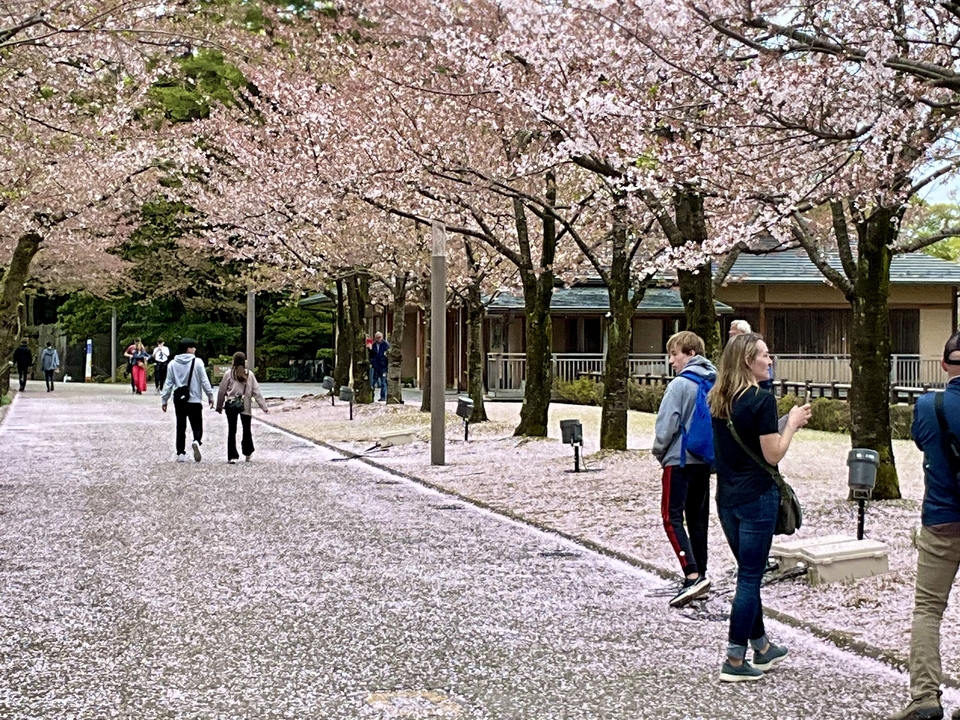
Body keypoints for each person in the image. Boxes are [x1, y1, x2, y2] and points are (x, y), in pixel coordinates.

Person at [709, 332, 811, 682]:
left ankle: (762, 646)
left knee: (746, 572)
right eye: (765, 356)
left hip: (727, 497)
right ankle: (734, 660)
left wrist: (781, 424)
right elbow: (773, 453)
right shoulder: (761, 399)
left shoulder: (719, 398)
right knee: (750, 577)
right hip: (757, 496)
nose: (770, 360)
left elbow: (745, 442)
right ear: (747, 361)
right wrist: (793, 425)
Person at [890, 332, 960, 720]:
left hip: (940, 520)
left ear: (945, 364)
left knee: (928, 610)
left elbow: (921, 441)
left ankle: (925, 698)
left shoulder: (928, 405)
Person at [653, 331, 717, 608]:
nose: (671, 361)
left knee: (671, 517)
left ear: (690, 354)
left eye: (674, 354)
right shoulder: (714, 382)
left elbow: (667, 424)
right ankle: (701, 572)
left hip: (679, 461)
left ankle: (691, 573)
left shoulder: (680, 385)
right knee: (698, 518)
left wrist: (659, 451)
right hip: (704, 461)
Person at [160, 338, 214, 463]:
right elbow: (204, 381)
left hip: (179, 400)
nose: (195, 349)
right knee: (197, 424)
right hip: (194, 399)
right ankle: (196, 440)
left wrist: (164, 400)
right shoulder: (198, 362)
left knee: (180, 426)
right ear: (188, 349)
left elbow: (168, 383)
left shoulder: (172, 364)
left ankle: (180, 453)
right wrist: (210, 395)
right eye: (193, 347)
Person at [216, 351, 269, 464]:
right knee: (246, 429)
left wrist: (219, 406)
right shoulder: (249, 375)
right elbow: (256, 392)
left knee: (232, 430)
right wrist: (263, 406)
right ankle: (247, 452)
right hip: (245, 405)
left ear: (233, 361)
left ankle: (232, 456)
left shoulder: (228, 374)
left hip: (231, 404)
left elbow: (221, 391)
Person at [369, 331, 390, 401]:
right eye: (377, 338)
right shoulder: (373, 345)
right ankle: (371, 395)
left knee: (383, 382)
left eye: (379, 337)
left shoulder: (386, 345)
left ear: (382, 337)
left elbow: (388, 355)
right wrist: (372, 361)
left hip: (383, 366)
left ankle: (383, 397)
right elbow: (371, 354)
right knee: (373, 381)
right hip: (375, 366)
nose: (378, 339)